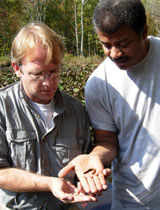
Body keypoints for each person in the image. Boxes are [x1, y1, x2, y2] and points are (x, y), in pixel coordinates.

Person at [59, 0, 160, 209]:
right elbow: (107, 141)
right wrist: (95, 157)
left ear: (143, 32)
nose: (114, 54)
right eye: (106, 45)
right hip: (136, 200)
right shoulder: (99, 84)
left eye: (123, 44)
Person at [0, 21, 96, 210]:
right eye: (37, 74)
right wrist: (49, 183)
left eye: (54, 72)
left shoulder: (76, 110)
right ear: (17, 68)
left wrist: (91, 175)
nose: (48, 83)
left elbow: (85, 161)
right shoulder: (3, 107)